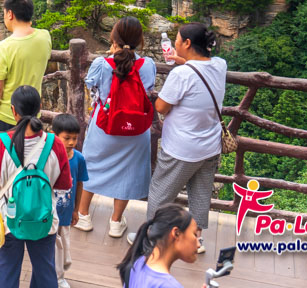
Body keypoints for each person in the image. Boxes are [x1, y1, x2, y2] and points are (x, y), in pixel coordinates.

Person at [136, 23, 225, 255]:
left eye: (177, 40)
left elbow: (162, 107)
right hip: (210, 146)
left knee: (160, 193)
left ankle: (153, 239)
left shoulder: (181, 74)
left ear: (186, 43)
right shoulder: (220, 65)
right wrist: (183, 61)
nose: (174, 44)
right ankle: (196, 240)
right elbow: (200, 68)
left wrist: (179, 67)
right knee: (200, 193)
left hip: (182, 148)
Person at [0, 84, 72, 288]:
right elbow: (64, 184)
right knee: (45, 272)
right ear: (39, 109)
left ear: (13, 111)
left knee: (8, 273)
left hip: (9, 219)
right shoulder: (55, 144)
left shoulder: (0, 143)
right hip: (45, 219)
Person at [75, 16, 155, 238]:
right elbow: (147, 88)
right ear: (140, 40)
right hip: (136, 128)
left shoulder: (102, 64)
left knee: (92, 166)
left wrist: (112, 56)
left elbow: (91, 85)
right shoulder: (147, 65)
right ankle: (116, 222)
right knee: (128, 172)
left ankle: (83, 216)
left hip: (106, 124)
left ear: (114, 38)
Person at [0, 0, 52, 134]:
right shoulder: (45, 37)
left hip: (8, 116)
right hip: (33, 114)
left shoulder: (4, 48)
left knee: (6, 154)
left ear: (10, 14)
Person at [116, 205, 200, 288]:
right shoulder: (169, 285)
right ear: (176, 233)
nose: (199, 244)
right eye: (195, 235)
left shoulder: (137, 263)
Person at [51, 113, 87, 288]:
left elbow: (79, 184)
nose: (72, 142)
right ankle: (47, 274)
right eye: (67, 138)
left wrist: (76, 210)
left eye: (75, 138)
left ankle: (59, 277)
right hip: (48, 211)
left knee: (63, 245)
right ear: (54, 135)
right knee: (46, 245)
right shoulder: (49, 156)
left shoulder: (78, 159)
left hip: (65, 211)